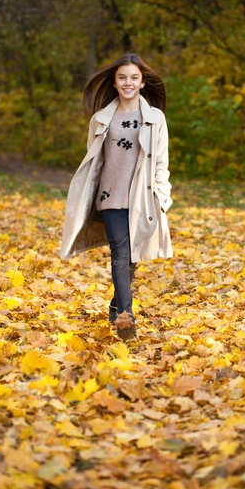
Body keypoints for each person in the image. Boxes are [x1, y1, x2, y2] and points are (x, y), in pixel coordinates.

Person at [60, 53, 173, 340]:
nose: (128, 82)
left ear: (142, 82)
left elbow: (161, 162)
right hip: (110, 196)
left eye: (134, 77)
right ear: (115, 81)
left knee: (131, 258)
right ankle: (127, 318)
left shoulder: (155, 119)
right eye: (122, 77)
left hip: (142, 197)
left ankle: (115, 304)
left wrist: (162, 197)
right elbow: (94, 160)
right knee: (121, 255)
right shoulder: (101, 119)